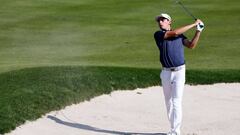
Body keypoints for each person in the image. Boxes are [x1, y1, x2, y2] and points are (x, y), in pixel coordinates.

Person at [154, 13, 204, 135]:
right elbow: (174, 33)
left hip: (179, 72)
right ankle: (173, 129)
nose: (160, 22)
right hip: (166, 72)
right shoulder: (159, 34)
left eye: (163, 20)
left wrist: (198, 31)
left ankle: (176, 131)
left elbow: (191, 45)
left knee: (176, 101)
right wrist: (194, 24)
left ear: (169, 22)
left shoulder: (180, 35)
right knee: (168, 102)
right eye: (159, 20)